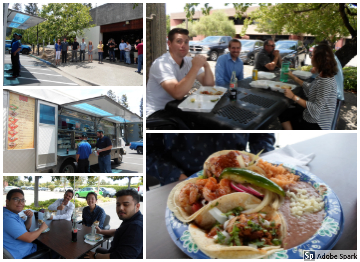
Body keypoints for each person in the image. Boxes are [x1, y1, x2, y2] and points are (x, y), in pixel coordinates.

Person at [147, 133, 276, 186]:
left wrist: (262, 166)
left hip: (244, 178)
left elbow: (263, 135)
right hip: (183, 180)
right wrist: (178, 177)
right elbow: (149, 153)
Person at [146, 28, 215, 118]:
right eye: (179, 41)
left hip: (176, 108)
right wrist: (195, 67)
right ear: (169, 44)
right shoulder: (161, 63)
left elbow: (209, 86)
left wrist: (206, 65)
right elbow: (178, 94)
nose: (183, 45)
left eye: (186, 42)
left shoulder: (188, 61)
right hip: (158, 113)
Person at [278, 44, 338, 130]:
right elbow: (311, 88)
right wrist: (293, 77)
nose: (310, 57)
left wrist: (293, 97)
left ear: (319, 59)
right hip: (314, 117)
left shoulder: (326, 81)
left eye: (312, 55)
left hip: (318, 124)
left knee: (284, 115)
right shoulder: (323, 75)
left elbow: (315, 109)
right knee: (286, 112)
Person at [84, 189, 143, 259]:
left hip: (115, 255)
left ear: (137, 206)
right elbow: (118, 231)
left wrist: (95, 256)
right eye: (118, 205)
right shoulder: (130, 220)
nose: (121, 208)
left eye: (126, 205)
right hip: (113, 251)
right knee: (96, 250)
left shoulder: (136, 226)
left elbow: (121, 257)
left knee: (84, 256)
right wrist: (101, 231)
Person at [4, 189, 48, 258]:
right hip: (26, 254)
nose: (20, 203)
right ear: (7, 201)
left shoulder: (11, 214)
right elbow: (29, 238)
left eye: (22, 200)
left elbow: (26, 228)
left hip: (26, 247)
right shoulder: (8, 219)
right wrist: (42, 228)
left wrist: (29, 217)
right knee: (57, 251)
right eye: (16, 199)